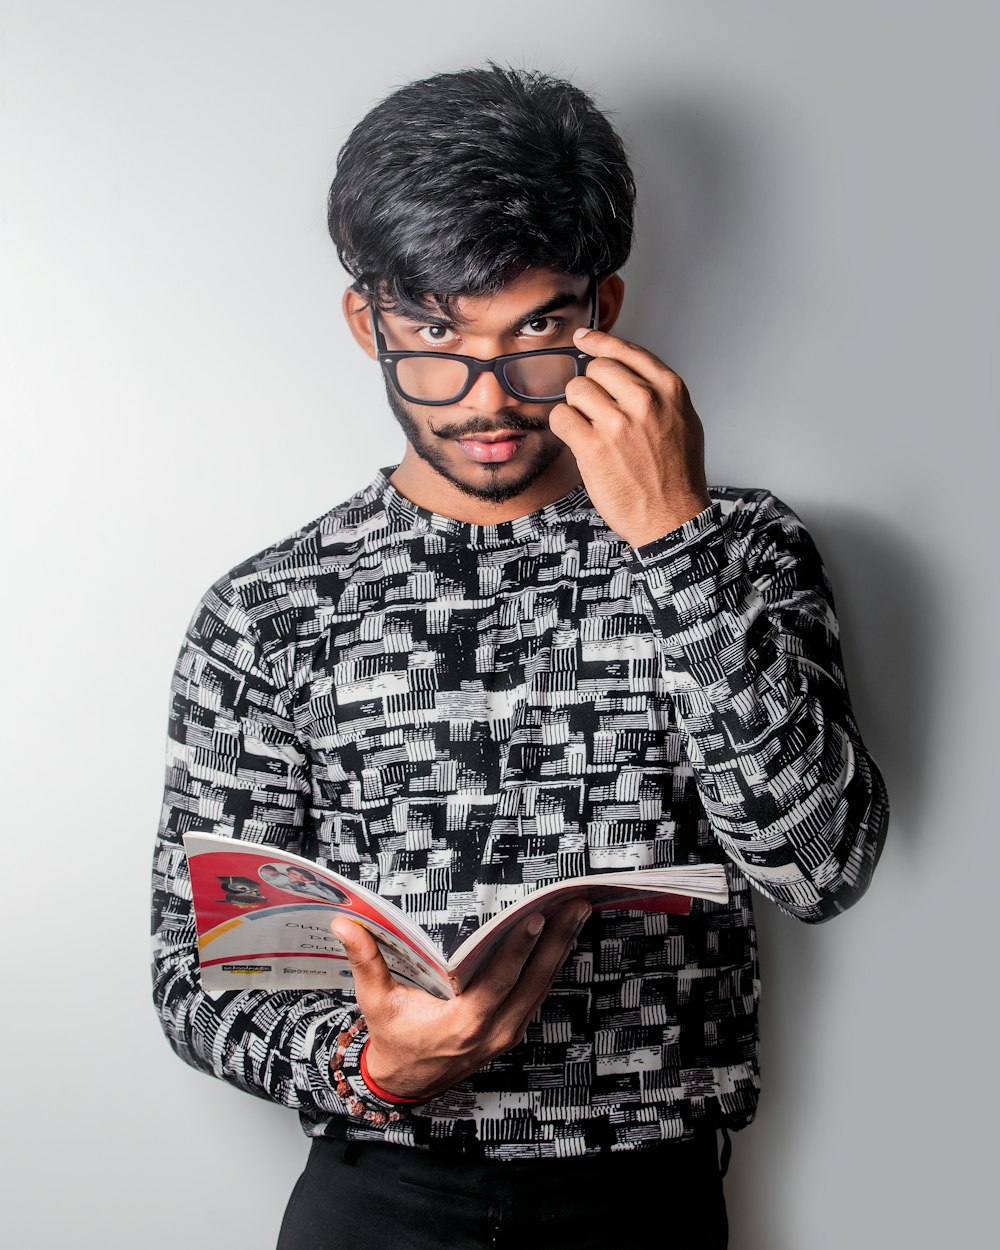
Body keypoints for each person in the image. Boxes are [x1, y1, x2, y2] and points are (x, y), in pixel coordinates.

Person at [151, 64, 889, 1249]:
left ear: (602, 310)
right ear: (368, 322)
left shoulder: (736, 547)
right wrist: (371, 1061)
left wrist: (671, 544)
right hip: (377, 1190)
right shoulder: (269, 607)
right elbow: (200, 976)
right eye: (438, 332)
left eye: (536, 329)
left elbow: (818, 867)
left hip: (645, 1195)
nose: (487, 397)